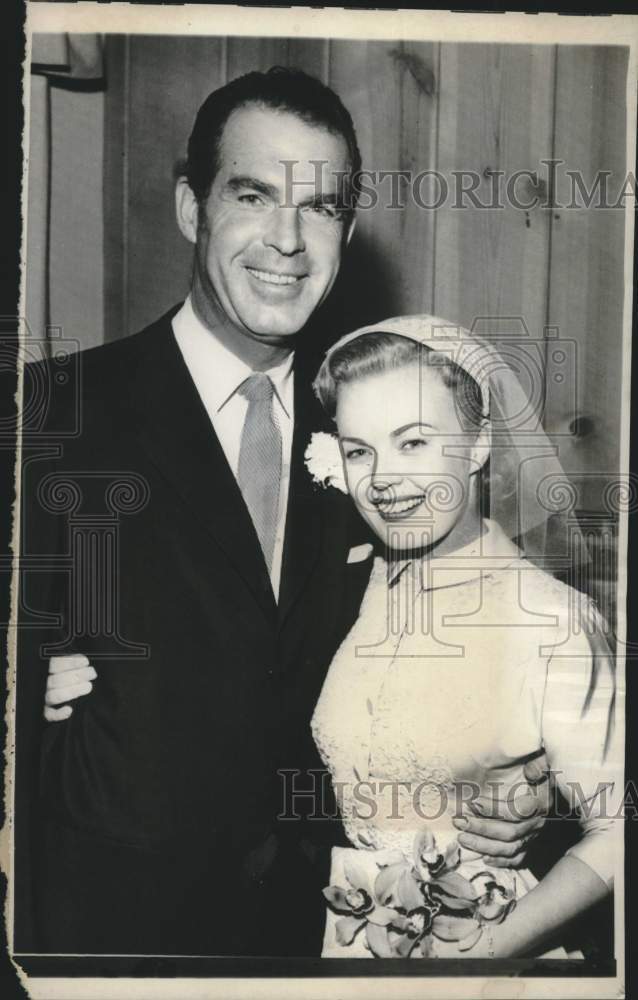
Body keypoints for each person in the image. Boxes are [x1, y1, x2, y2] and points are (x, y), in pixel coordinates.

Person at [18, 68, 551, 959]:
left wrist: (519, 783)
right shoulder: (49, 415)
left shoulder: (382, 433)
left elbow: (473, 636)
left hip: (327, 937)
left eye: (321, 208)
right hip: (110, 936)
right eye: (256, 195)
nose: (288, 242)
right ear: (193, 209)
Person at [307, 315, 620, 959]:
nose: (382, 479)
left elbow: (620, 829)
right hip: (346, 946)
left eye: (414, 442)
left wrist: (486, 949)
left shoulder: (550, 617)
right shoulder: (344, 589)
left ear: (479, 444)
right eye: (360, 450)